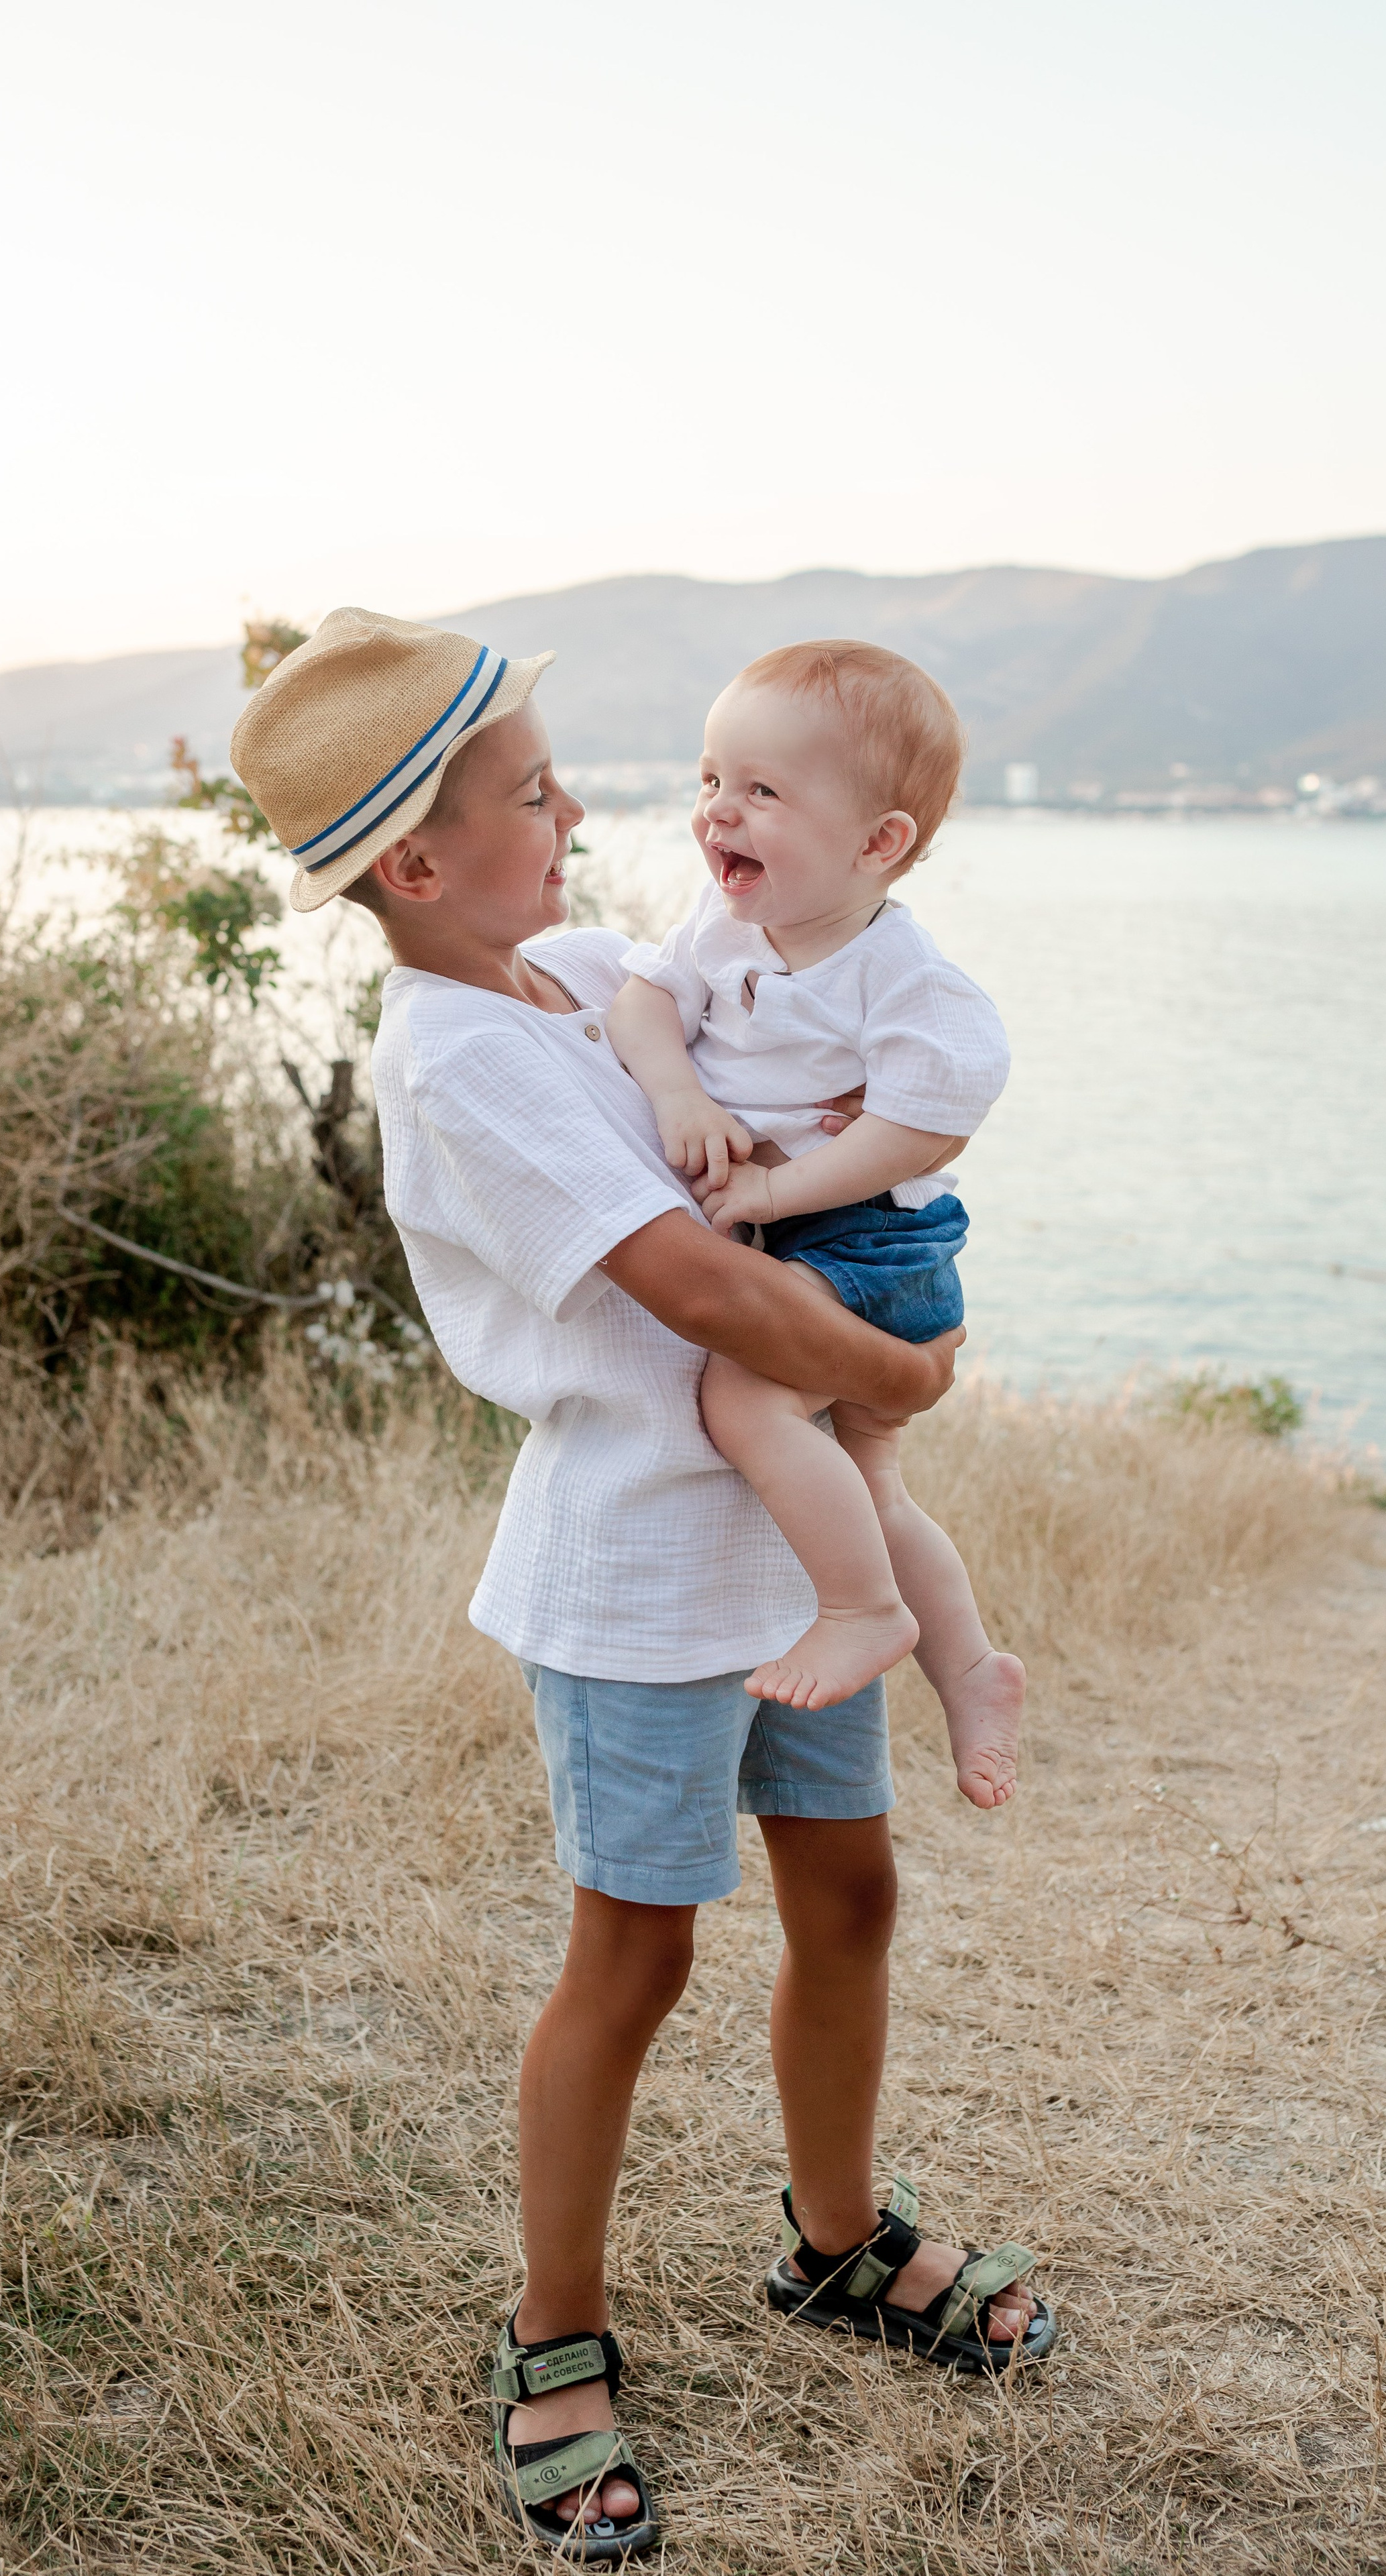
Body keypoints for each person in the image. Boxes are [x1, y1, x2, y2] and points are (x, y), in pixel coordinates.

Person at [231, 609, 1055, 2565]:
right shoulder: (450, 1059)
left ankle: (840, 2241)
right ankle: (554, 2330)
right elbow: (690, 1288)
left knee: (851, 1893)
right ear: (416, 865)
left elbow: (781, 1032)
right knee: (637, 1958)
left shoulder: (581, 971)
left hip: (786, 1558)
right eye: (536, 793)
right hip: (632, 1580)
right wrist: (914, 1372)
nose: (589, 809)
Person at [605, 642, 1026, 1810]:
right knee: (874, 1489)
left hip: (871, 1246)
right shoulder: (723, 925)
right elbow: (640, 1000)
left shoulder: (902, 978)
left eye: (762, 793)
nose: (717, 814)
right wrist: (682, 1094)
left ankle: (862, 1612)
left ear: (878, 844)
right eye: (709, 780)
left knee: (740, 1400)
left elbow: (926, 1128)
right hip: (805, 1240)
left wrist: (779, 1194)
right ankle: (973, 1669)